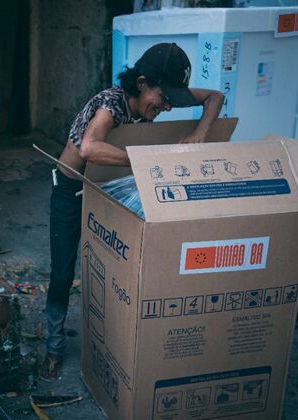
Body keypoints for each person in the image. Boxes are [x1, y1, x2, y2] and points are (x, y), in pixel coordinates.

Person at [39, 43, 223, 382]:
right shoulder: (110, 104)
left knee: (115, 265)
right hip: (71, 190)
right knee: (63, 271)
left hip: (110, 188)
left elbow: (214, 97)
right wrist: (144, 159)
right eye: (162, 98)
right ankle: (53, 347)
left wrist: (200, 132)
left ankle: (116, 342)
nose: (166, 107)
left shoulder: (155, 98)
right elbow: (89, 148)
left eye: (171, 101)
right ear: (141, 83)